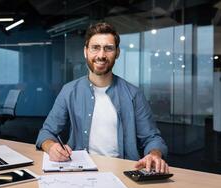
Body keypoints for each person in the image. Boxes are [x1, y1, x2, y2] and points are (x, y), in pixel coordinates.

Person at [36, 22, 169, 173]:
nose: (101, 55)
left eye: (108, 48)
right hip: (79, 171)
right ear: (85, 51)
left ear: (117, 53)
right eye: (95, 48)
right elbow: (46, 133)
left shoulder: (134, 94)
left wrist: (154, 155)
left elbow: (153, 138)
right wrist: (51, 146)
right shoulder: (69, 91)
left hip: (123, 171)